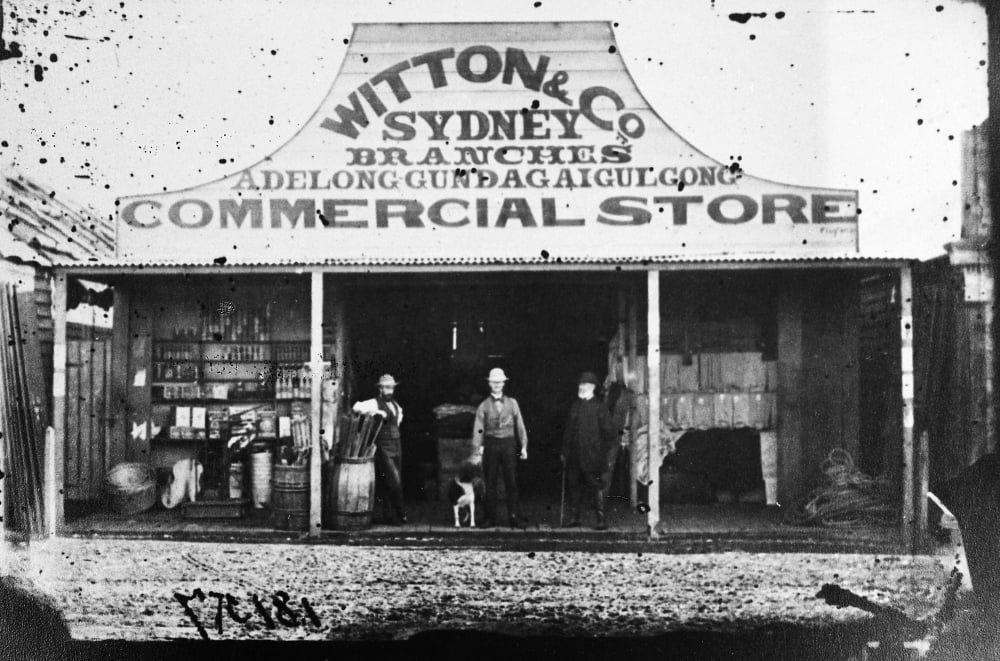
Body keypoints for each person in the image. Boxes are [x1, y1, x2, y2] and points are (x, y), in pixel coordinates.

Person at [471, 367, 529, 528]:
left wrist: (524, 445)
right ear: (490, 384)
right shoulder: (483, 405)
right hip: (491, 444)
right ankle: (490, 518)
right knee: (490, 482)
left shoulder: (513, 403)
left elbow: (520, 425)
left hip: (509, 444)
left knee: (511, 481)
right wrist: (479, 447)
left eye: (499, 382)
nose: (497, 385)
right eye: (494, 382)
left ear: (504, 384)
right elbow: (479, 428)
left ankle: (515, 517)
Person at [561, 371, 616, 530]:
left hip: (592, 455)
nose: (581, 387)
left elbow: (610, 432)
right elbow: (568, 430)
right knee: (573, 485)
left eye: (585, 384)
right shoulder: (575, 405)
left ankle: (601, 520)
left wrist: (601, 451)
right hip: (574, 455)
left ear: (592, 387)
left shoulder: (600, 407)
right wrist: (564, 451)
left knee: (595, 485)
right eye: (580, 384)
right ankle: (574, 518)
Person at [353, 374, 408, 525]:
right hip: (383, 445)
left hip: (397, 444)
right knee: (394, 480)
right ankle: (401, 513)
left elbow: (398, 419)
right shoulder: (374, 403)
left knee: (391, 481)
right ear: (380, 389)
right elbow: (356, 407)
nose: (389, 391)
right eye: (386, 388)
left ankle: (389, 515)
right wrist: (377, 413)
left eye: (391, 388)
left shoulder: (396, 405)